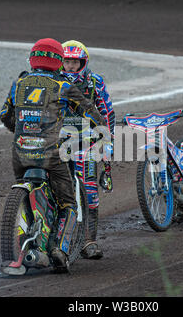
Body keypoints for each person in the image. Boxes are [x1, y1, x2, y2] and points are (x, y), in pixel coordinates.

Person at [0, 38, 104, 275]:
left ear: (33, 58)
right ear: (57, 61)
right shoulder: (64, 86)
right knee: (68, 204)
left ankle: (27, 233)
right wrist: (99, 133)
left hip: (20, 152)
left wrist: (22, 128)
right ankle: (60, 250)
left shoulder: (19, 83)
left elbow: (5, 115)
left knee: (29, 187)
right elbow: (92, 114)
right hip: (51, 154)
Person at [61, 40, 116, 260]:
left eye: (75, 62)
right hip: (58, 141)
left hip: (88, 141)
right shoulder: (54, 81)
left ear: (82, 62)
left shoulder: (95, 82)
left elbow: (107, 112)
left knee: (90, 191)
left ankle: (88, 241)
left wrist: (107, 141)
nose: (70, 66)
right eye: (66, 61)